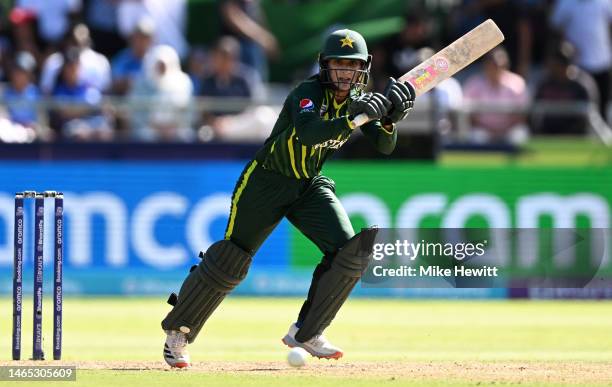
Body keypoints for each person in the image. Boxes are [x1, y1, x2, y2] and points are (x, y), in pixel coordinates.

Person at [160, 29, 415, 368]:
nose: (344, 73)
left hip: (308, 185)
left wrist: (390, 120)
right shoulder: (307, 92)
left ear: (363, 68)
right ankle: (178, 333)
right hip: (266, 182)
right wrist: (356, 117)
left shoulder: (358, 98)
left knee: (350, 252)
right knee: (230, 261)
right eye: (337, 64)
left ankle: (307, 332)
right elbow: (310, 133)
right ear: (324, 65)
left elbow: (385, 146)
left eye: (351, 66)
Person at [463, 46, 529, 145]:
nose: (495, 69)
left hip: (509, 129)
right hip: (482, 130)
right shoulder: (474, 84)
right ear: (485, 66)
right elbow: (468, 114)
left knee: (519, 135)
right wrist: (489, 129)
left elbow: (522, 114)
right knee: (475, 137)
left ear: (506, 65)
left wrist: (504, 129)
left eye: (499, 65)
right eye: (492, 65)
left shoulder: (517, 83)